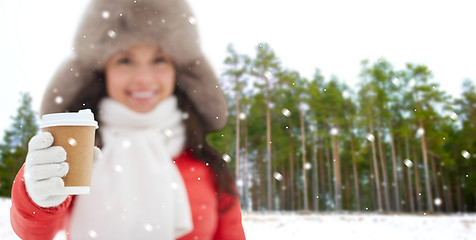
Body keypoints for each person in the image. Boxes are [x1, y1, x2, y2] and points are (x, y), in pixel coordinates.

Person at [10, 0, 246, 239]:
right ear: (104, 72)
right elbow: (35, 232)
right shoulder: (79, 152)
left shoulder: (209, 167)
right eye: (125, 60)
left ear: (178, 71)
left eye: (159, 60)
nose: (144, 78)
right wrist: (36, 194)